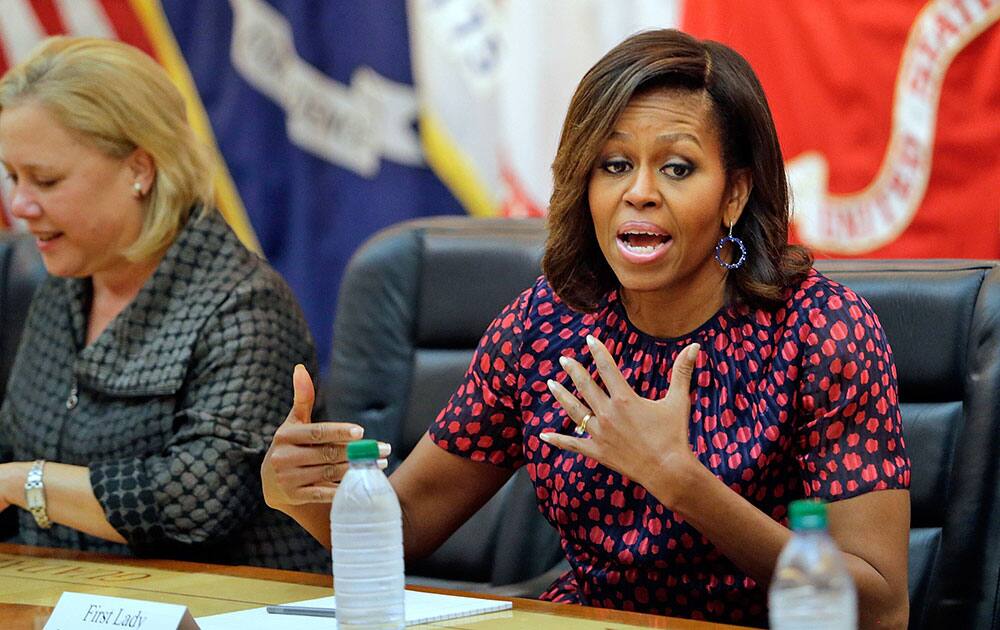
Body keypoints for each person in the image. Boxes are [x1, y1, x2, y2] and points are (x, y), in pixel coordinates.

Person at [261, 29, 911, 627]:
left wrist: (685, 485)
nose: (641, 192)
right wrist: (303, 496)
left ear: (734, 194)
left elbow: (880, 606)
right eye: (614, 164)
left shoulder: (821, 332)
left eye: (678, 168)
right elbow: (403, 526)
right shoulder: (546, 325)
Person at [0, 36, 331, 572]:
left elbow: (197, 501)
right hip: (60, 598)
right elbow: (13, 441)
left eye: (46, 179)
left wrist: (24, 483)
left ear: (140, 170)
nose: (19, 204)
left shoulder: (242, 304)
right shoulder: (61, 286)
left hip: (224, 608)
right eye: (13, 176)